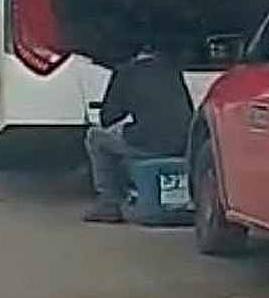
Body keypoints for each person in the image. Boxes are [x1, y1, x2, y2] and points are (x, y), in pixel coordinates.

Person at [83, 43, 193, 223]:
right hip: (182, 142)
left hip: (149, 142)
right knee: (126, 135)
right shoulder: (172, 69)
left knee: (95, 138)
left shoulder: (126, 72)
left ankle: (109, 203)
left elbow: (108, 117)